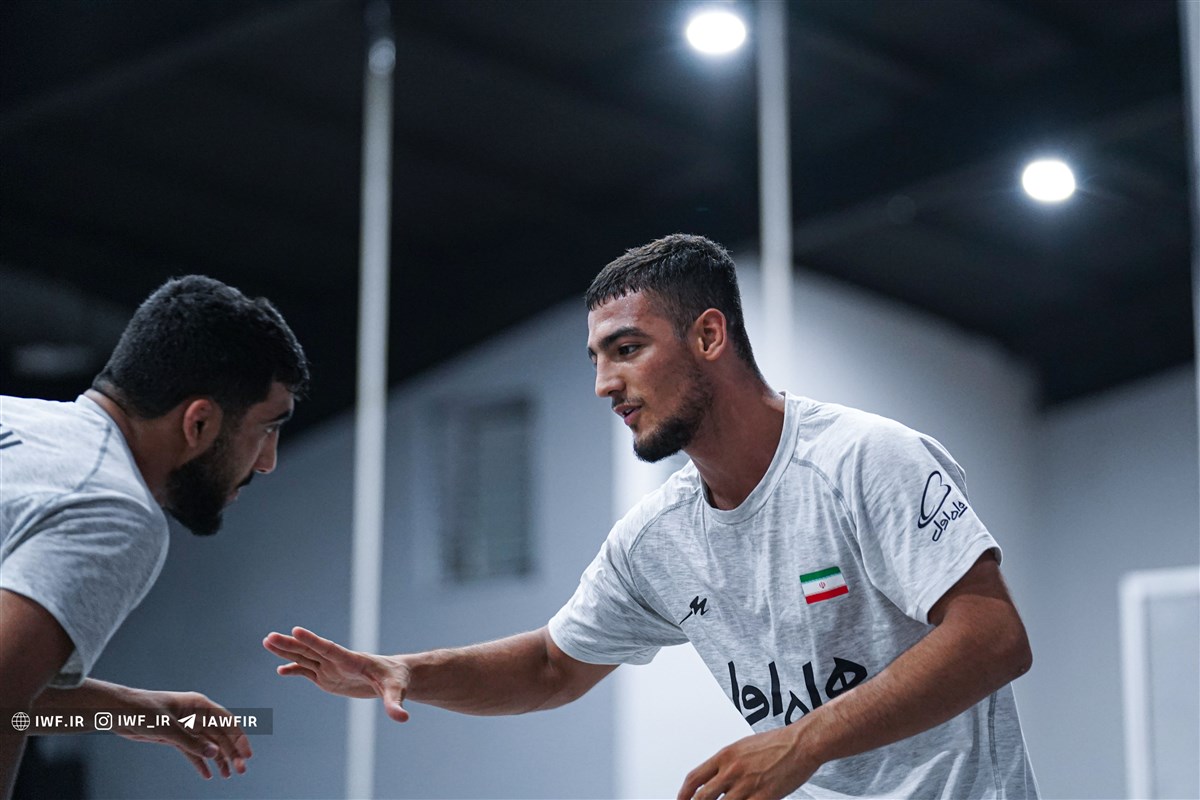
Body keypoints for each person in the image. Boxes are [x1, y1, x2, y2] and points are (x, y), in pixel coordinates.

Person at [264, 234, 1038, 799]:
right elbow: (552, 666)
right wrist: (409, 672)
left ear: (709, 335)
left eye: (627, 349)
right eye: (596, 359)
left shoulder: (865, 459)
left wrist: (801, 742)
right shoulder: (656, 539)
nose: (605, 384)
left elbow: (994, 637)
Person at [1, 275, 309, 798]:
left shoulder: (20, 419)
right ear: (199, 423)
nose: (268, 461)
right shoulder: (111, 506)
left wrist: (134, 710)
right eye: (266, 428)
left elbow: (14, 698)